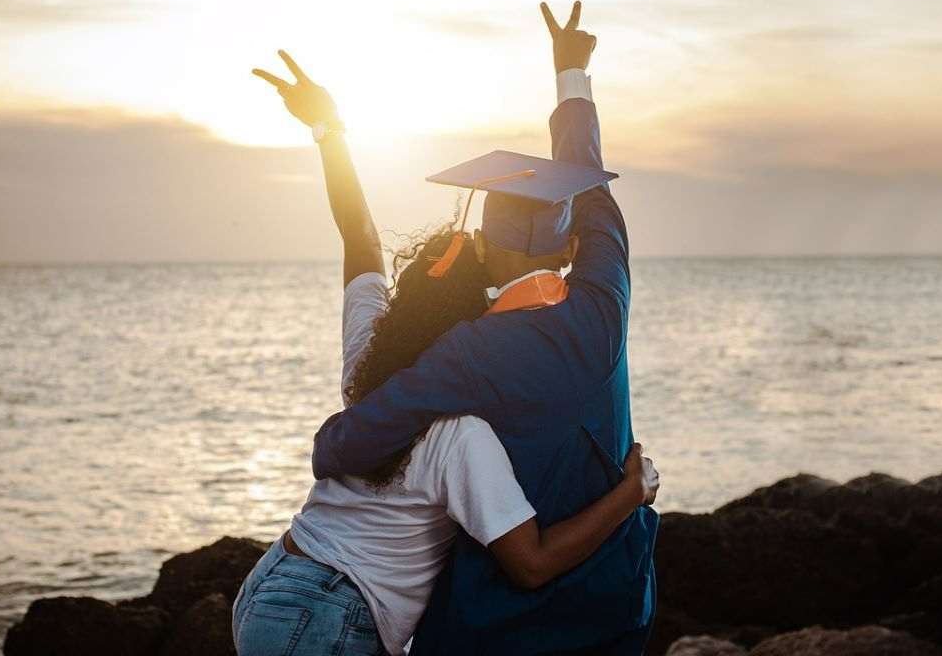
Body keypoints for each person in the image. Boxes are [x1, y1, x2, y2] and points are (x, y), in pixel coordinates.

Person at [231, 41, 659, 656]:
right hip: (335, 616)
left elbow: (359, 237)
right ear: (568, 253)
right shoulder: (483, 410)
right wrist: (572, 79)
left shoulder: (376, 347)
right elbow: (530, 562)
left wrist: (329, 131)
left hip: (271, 584)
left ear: (481, 250)